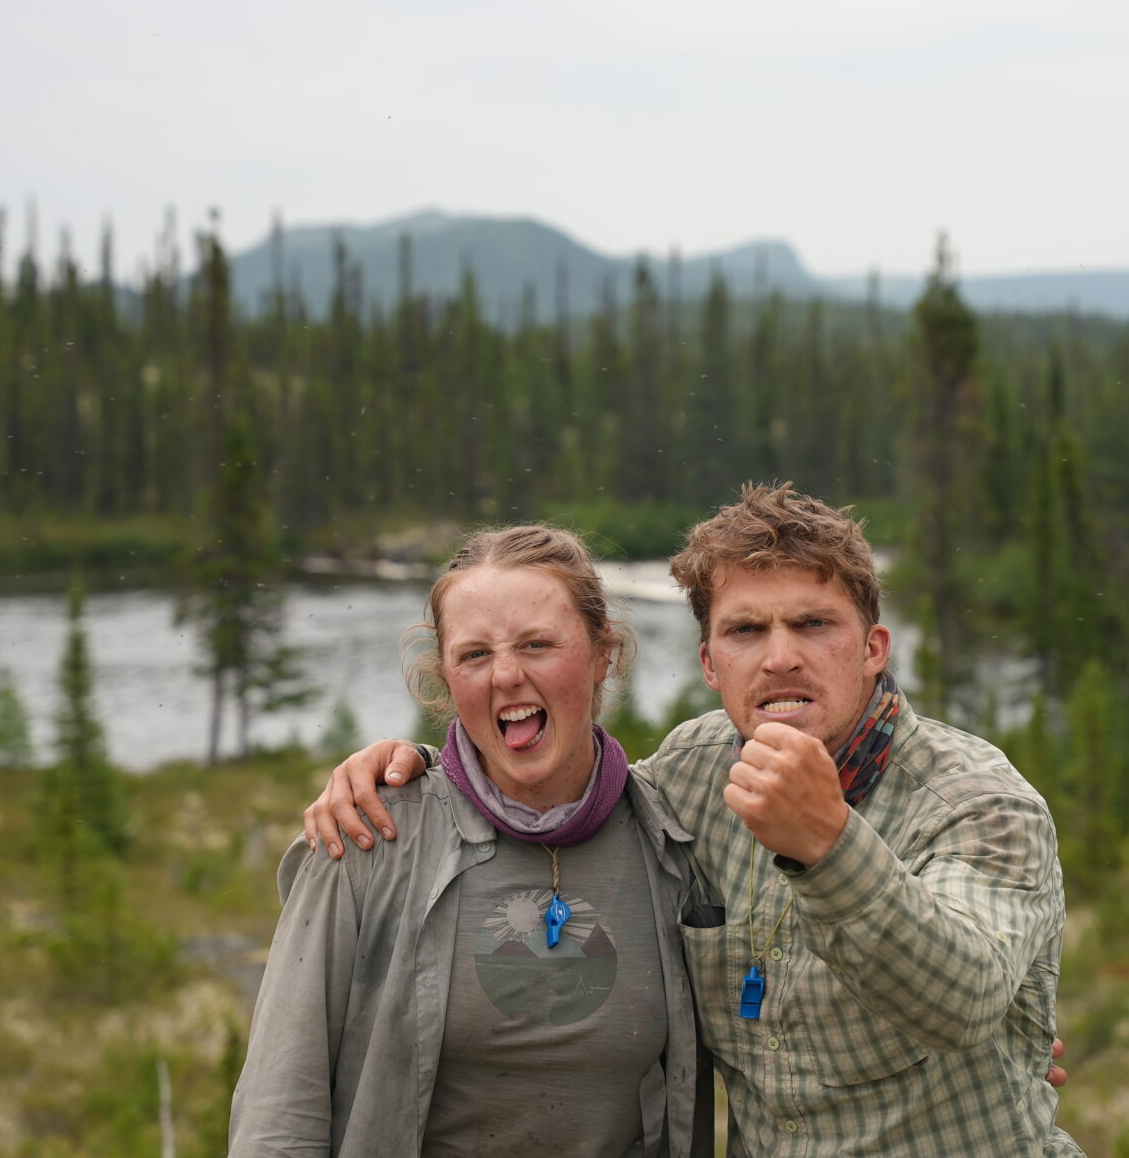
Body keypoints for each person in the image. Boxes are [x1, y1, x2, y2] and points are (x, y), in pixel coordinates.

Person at [309, 484, 1082, 1156]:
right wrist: (423, 768)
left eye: (813, 624)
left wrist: (831, 846)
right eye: (746, 631)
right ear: (710, 664)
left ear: (874, 647)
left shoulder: (981, 802)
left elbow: (968, 1001)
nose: (779, 658)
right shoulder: (694, 770)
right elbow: (560, 798)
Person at [230, 525, 707, 1157]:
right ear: (446, 679)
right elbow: (277, 1114)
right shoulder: (367, 834)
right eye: (474, 655)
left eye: (537, 644)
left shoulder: (672, 841)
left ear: (603, 655)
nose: (506, 675)